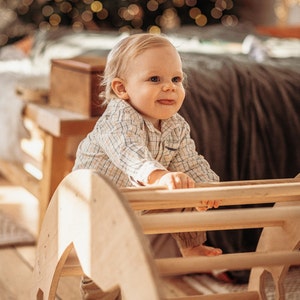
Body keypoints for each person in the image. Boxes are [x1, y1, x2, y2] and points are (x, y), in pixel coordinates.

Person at [73, 33, 222, 300]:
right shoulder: (119, 116)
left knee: (187, 184)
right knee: (104, 271)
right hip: (95, 202)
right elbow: (129, 153)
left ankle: (192, 245)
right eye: (155, 79)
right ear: (122, 89)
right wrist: (159, 176)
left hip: (136, 198)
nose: (169, 87)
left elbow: (190, 160)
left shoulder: (175, 124)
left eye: (176, 79)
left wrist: (207, 188)